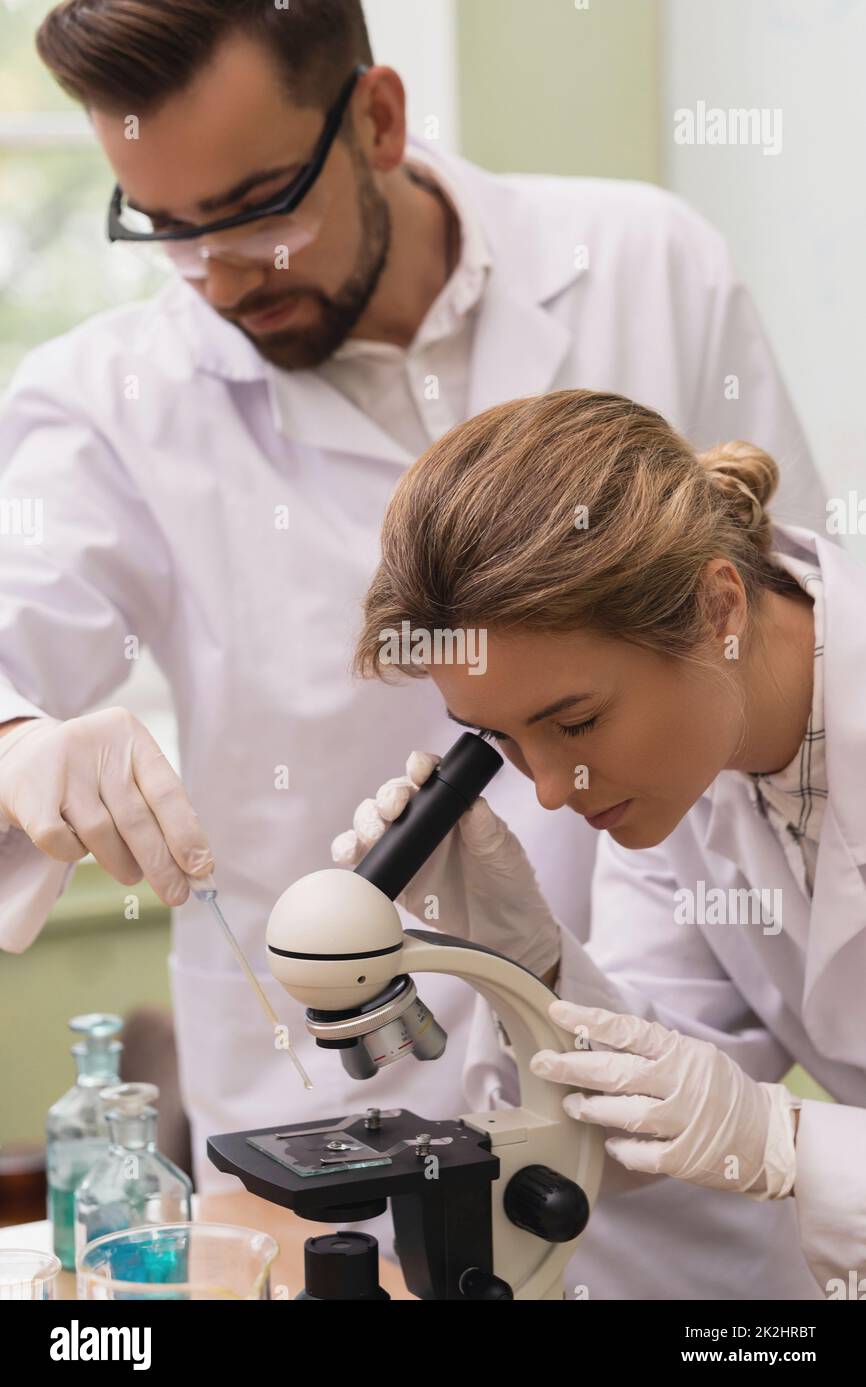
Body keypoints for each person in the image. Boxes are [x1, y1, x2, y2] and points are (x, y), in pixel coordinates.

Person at [0, 0, 825, 1298]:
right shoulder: (111, 402)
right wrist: (22, 740)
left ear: (377, 118)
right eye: (168, 229)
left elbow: (783, 626)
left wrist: (772, 1131)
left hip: (671, 1021)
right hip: (322, 1084)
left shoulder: (644, 263)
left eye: (259, 204)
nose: (219, 276)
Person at [336, 387, 865, 1295]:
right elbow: (653, 1121)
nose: (548, 791)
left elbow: (742, 1128)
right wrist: (525, 963)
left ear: (718, 609)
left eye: (574, 724)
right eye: (502, 741)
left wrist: (792, 1144)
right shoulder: (688, 770)